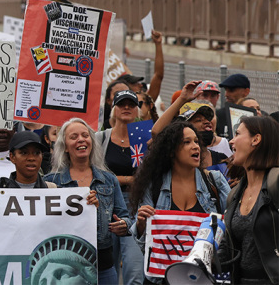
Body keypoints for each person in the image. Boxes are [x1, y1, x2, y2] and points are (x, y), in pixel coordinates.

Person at [131, 123, 230, 283]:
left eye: (196, 141)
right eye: (187, 142)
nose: (195, 147)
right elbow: (145, 245)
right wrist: (142, 225)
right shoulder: (153, 185)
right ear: (171, 151)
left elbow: (231, 224)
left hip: (201, 278)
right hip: (160, 279)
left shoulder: (215, 181)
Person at [46, 118, 130, 284]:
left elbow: (125, 217)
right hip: (66, 269)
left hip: (104, 267)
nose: (81, 139)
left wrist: (123, 225)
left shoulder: (109, 180)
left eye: (85, 135)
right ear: (65, 146)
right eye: (74, 136)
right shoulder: (51, 182)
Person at [219, 116, 279, 284]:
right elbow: (228, 250)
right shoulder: (234, 194)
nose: (231, 141)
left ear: (256, 139)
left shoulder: (277, 182)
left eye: (237, 134)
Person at [97, 88, 144, 285]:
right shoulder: (100, 138)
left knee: (135, 272)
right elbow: (96, 173)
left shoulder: (142, 136)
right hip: (107, 206)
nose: (126, 107)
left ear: (137, 110)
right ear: (113, 109)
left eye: (131, 104)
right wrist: (127, 179)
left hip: (135, 205)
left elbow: (146, 175)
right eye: (122, 104)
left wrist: (117, 178)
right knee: (109, 270)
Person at [216, 73, 251, 138]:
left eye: (231, 90)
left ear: (246, 92)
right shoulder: (219, 115)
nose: (226, 94)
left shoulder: (255, 115)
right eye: (226, 90)